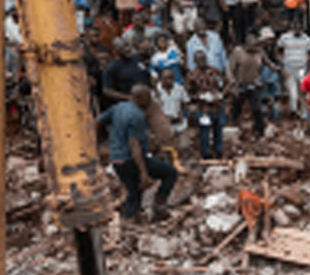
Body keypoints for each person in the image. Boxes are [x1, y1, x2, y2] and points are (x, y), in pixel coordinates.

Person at [96, 84, 177, 221]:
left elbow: (97, 121)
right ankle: (159, 206)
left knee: (133, 191)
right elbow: (135, 147)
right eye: (148, 98)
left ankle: (131, 219)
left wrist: (95, 143)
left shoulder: (119, 107)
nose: (150, 102)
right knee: (170, 173)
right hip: (130, 159)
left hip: (116, 160)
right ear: (142, 98)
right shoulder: (137, 116)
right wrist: (144, 173)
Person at [186, 49, 227, 160]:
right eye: (199, 59)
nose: (202, 62)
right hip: (203, 108)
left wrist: (221, 94)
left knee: (218, 129)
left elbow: (224, 84)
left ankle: (218, 151)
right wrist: (200, 97)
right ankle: (206, 153)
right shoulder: (192, 75)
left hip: (217, 106)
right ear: (195, 61)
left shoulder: (214, 71)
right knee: (204, 131)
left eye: (204, 59)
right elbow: (188, 94)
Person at [227, 36, 266, 140]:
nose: (255, 48)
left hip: (253, 85)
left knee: (257, 109)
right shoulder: (238, 52)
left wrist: (260, 79)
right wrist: (233, 84)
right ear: (247, 45)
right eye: (253, 46)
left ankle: (261, 132)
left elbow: (265, 64)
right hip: (240, 85)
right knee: (236, 108)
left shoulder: (259, 52)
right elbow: (230, 69)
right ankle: (232, 130)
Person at [278, 23, 310, 116]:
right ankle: (293, 111)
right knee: (292, 93)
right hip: (289, 69)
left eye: (299, 30)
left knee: (303, 91)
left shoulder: (307, 39)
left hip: (302, 69)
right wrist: (282, 62)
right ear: (292, 29)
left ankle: (304, 113)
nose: (297, 32)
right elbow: (279, 50)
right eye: (295, 30)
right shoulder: (284, 38)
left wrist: (307, 63)